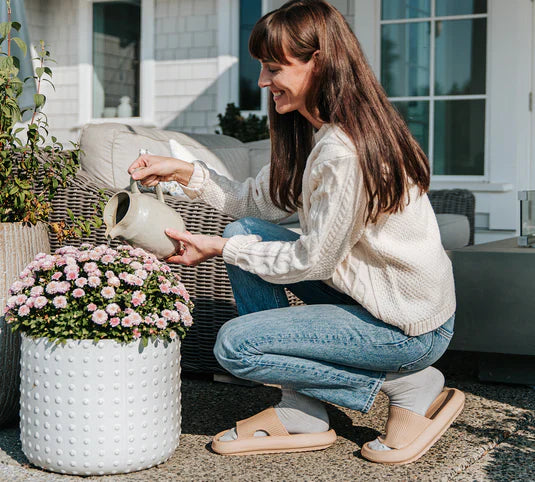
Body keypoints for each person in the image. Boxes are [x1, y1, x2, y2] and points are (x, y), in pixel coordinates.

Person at [128, 0, 464, 464]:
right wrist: (183, 172)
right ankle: (303, 409)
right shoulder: (317, 131)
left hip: (406, 328)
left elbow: (312, 262)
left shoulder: (344, 152)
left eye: (273, 68)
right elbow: (252, 203)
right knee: (246, 229)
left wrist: (223, 248)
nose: (263, 82)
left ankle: (406, 382)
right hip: (377, 299)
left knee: (237, 345)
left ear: (318, 64)